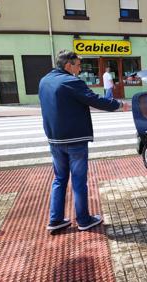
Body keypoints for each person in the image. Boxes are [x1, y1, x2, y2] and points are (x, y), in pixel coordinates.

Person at [39, 50, 121, 232]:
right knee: (78, 180)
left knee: (59, 179)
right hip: (75, 139)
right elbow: (95, 100)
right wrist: (119, 105)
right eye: (77, 65)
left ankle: (56, 219)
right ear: (68, 65)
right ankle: (83, 220)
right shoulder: (71, 81)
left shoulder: (44, 81)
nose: (79, 69)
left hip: (54, 139)